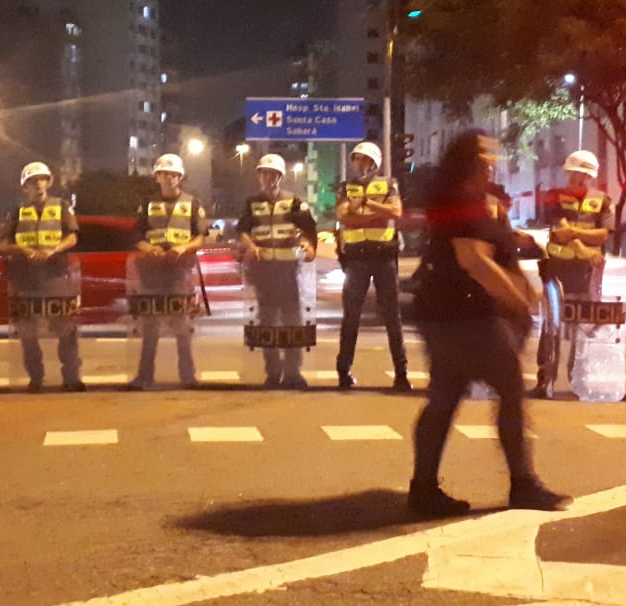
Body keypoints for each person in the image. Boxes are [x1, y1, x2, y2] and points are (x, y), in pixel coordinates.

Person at [408, 130, 570, 517]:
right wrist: (518, 299)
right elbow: (473, 259)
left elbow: (485, 244)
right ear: (467, 161)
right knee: (510, 392)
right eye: (484, 156)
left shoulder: (471, 200)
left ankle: (424, 489)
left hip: (451, 313)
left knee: (444, 398)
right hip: (468, 315)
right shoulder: (462, 199)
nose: (492, 161)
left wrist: (516, 241)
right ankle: (523, 484)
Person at [0, 161, 83, 392]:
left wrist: (54, 250)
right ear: (25, 186)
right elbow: (6, 243)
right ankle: (35, 378)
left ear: (48, 182)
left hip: (56, 277)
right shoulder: (18, 212)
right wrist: (24, 251)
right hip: (26, 280)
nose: (38, 184)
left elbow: (73, 237)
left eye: (42, 180)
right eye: (33, 181)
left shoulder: (62, 206)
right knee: (27, 333)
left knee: (65, 330)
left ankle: (71, 377)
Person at [533, 150, 612, 398]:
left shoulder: (603, 200)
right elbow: (559, 232)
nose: (580, 179)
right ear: (568, 173)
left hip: (587, 273)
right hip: (557, 270)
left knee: (583, 328)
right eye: (576, 174)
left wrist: (577, 237)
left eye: (585, 175)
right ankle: (545, 380)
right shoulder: (554, 197)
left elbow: (604, 234)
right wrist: (584, 246)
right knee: (551, 327)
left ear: (592, 177)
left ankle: (578, 379)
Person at [237, 154, 319, 388]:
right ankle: (272, 372)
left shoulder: (294, 202)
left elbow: (308, 228)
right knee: (267, 324)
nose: (269, 178)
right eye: (265, 173)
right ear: (259, 176)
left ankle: (293, 372)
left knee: (293, 323)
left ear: (281, 176)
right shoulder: (252, 203)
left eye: (273, 174)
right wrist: (251, 247)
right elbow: (243, 230)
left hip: (288, 272)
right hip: (264, 272)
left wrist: (307, 244)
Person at [127, 153, 208, 389]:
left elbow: (200, 237)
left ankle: (188, 377)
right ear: (157, 177)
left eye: (174, 175)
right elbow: (136, 237)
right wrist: (149, 248)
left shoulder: (193, 204)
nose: (170, 179)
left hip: (179, 274)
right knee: (150, 328)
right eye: (165, 174)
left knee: (181, 327)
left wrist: (183, 248)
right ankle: (144, 377)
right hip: (151, 274)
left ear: (180, 178)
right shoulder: (147, 205)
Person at [336, 140, 411, 391]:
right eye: (356, 159)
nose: (359, 164)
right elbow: (344, 217)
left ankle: (401, 374)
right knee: (351, 317)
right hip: (357, 258)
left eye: (363, 160)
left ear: (374, 163)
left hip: (384, 257)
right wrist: (379, 210)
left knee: (392, 317)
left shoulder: (389, 184)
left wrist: (365, 206)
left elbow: (396, 212)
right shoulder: (346, 187)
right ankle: (343, 372)